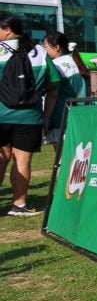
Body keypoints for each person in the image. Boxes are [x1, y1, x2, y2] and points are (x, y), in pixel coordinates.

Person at [0, 13, 59, 215]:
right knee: (22, 161)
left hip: (1, 115)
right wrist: (46, 117)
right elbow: (54, 87)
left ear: (7, 30)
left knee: (1, 158)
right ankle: (19, 205)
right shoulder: (39, 52)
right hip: (29, 116)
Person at [42, 32, 90, 151]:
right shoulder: (78, 63)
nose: (43, 49)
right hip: (81, 116)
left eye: (45, 46)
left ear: (57, 47)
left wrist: (46, 119)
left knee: (61, 160)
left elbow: (53, 94)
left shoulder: (55, 66)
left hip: (61, 117)